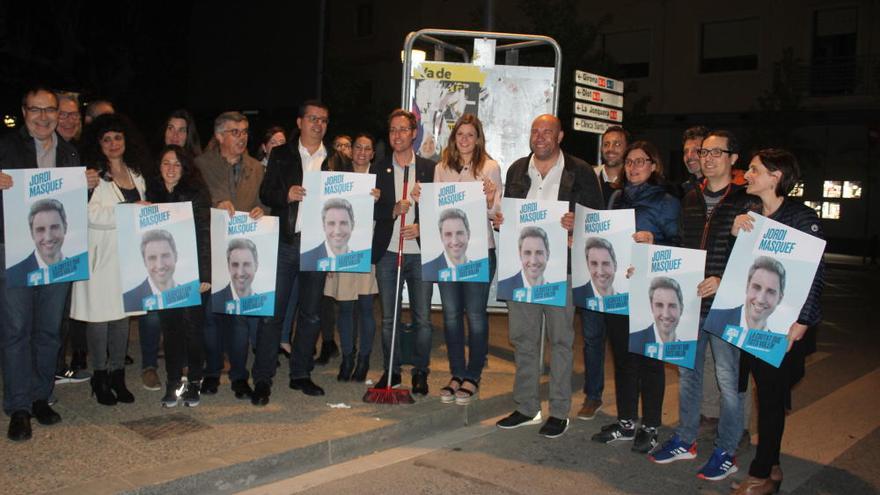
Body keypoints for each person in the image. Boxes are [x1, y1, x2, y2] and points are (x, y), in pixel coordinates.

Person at [651, 129, 752, 481]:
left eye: (715, 153)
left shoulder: (745, 201)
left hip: (726, 307)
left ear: (733, 158)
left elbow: (757, 259)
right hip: (691, 303)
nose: (707, 158)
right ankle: (685, 439)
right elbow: (680, 244)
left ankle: (727, 450)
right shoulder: (690, 198)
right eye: (703, 153)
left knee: (729, 381)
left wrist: (724, 281)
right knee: (689, 375)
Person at [494, 114, 603, 439]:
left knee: (560, 341)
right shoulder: (516, 169)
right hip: (522, 269)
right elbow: (510, 213)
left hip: (562, 270)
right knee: (524, 340)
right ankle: (526, 407)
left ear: (560, 136)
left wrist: (578, 223)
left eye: (547, 132)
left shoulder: (580, 171)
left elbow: (597, 219)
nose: (540, 137)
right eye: (535, 131)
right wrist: (503, 220)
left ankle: (559, 411)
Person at [0, 86, 98, 441]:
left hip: (60, 256)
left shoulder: (71, 152)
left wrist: (87, 184)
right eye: (36, 110)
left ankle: (42, 396)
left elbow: (72, 204)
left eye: (50, 110)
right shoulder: (7, 146)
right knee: (15, 331)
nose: (43, 117)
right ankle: (19, 406)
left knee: (48, 331)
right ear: (24, 112)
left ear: (59, 113)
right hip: (13, 252)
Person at [727, 148, 824, 495]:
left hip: (787, 328)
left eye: (754, 170)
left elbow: (814, 273)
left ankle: (761, 474)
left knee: (770, 396)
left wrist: (804, 321)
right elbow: (739, 269)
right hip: (754, 323)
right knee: (765, 394)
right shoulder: (750, 213)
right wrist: (735, 233)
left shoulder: (802, 218)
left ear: (776, 176)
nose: (746, 175)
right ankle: (773, 465)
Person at [592, 140, 680, 453]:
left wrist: (654, 240)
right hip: (617, 289)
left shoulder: (667, 201)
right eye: (630, 162)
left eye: (641, 161)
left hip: (649, 288)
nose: (633, 167)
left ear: (654, 165)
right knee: (624, 359)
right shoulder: (616, 196)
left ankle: (652, 426)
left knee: (650, 361)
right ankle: (627, 422)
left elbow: (679, 244)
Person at [70, 113, 148, 407]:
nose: (113, 144)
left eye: (118, 137)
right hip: (100, 259)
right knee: (99, 320)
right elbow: (90, 217)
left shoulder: (136, 174)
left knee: (121, 319)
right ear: (98, 144)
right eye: (106, 139)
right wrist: (128, 211)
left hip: (128, 257)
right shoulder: (92, 177)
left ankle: (118, 374)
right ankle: (99, 377)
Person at [258, 100, 334, 403]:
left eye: (324, 120)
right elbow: (266, 193)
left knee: (311, 315)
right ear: (300, 122)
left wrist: (368, 195)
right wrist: (285, 194)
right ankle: (262, 378)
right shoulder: (281, 154)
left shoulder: (335, 159)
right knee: (272, 315)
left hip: (318, 245)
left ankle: (301, 374)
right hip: (287, 242)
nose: (318, 124)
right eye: (313, 119)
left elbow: (350, 196)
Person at [428, 113, 501, 405]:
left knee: (476, 316)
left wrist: (491, 198)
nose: (465, 140)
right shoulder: (441, 168)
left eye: (471, 135)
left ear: (478, 138)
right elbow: (436, 209)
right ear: (453, 137)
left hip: (480, 252)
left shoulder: (491, 167)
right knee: (450, 315)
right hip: (448, 253)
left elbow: (496, 215)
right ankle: (456, 372)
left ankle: (473, 375)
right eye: (460, 135)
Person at [196, 111, 265, 400]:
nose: (242, 136)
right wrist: (214, 203)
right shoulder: (200, 165)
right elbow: (190, 204)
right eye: (235, 131)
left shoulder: (256, 168)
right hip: (210, 253)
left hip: (241, 255)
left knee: (238, 319)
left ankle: (239, 376)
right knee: (211, 318)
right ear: (220, 136)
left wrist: (264, 211)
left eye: (245, 131)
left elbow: (263, 202)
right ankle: (212, 372)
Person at [370, 109, 436, 394]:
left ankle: (421, 372)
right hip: (387, 252)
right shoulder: (378, 169)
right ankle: (392, 371)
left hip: (420, 253)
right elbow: (366, 208)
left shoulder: (429, 169)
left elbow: (441, 210)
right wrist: (391, 210)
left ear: (413, 133)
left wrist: (422, 226)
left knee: (422, 317)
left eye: (403, 129)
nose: (397, 135)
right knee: (389, 318)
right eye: (392, 130)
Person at [145, 145, 210, 407]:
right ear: (158, 167)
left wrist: (205, 274)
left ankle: (194, 381)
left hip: (192, 271)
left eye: (176, 164)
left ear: (185, 168)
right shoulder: (150, 193)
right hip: (163, 274)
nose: (171, 169)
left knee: (194, 330)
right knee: (171, 330)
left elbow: (205, 234)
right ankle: (174, 382)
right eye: (165, 163)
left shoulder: (197, 193)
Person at [324, 132, 380, 382]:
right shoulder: (339, 178)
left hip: (368, 250)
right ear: (351, 150)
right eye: (358, 147)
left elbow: (390, 211)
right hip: (342, 250)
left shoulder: (380, 179)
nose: (362, 152)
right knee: (345, 307)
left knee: (367, 307)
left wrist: (380, 199)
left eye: (367, 148)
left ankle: (364, 360)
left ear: (373, 153)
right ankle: (348, 357)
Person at [6, 199, 68, 285]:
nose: (48, 237)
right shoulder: (12, 276)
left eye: (54, 227)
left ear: (65, 227)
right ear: (32, 233)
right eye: (40, 230)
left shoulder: (79, 269)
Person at [123, 230, 178, 311]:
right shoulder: (128, 301)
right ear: (145, 262)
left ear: (176, 256)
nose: (160, 265)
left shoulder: (191, 294)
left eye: (165, 255)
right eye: (152, 258)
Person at [630, 277, 683, 350]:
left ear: (681, 309)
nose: (666, 315)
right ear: (652, 307)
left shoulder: (688, 352)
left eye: (672, 306)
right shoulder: (632, 343)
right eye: (659, 305)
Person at [301, 198, 355, 268]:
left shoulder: (361, 262)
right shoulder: (306, 260)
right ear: (324, 226)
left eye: (343, 223)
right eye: (331, 224)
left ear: (352, 225)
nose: (337, 231)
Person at [497, 226, 549, 296]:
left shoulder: (558, 294)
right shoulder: (502, 289)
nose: (533, 261)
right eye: (527, 253)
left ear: (547, 255)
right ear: (520, 255)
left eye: (539, 253)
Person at [422, 208, 471, 277]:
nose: (455, 241)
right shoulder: (427, 270)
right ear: (441, 237)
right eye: (448, 234)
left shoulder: (480, 270)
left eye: (459, 233)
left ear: (468, 234)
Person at [572, 237, 618, 306]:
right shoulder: (574, 296)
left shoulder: (627, 300)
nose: (600, 272)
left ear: (615, 265)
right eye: (594, 264)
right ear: (588, 266)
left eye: (605, 263)